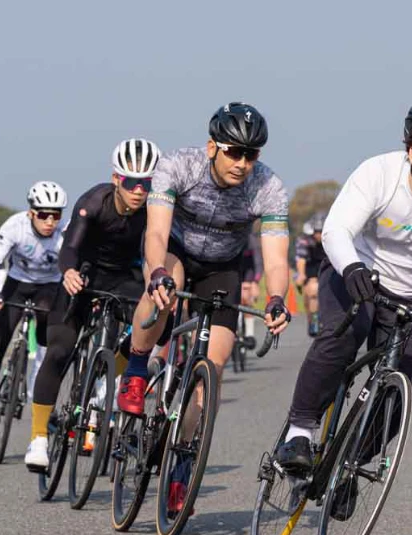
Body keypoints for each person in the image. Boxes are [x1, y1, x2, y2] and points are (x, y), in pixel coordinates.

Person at [274, 97, 412, 497]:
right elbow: (336, 232)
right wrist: (352, 268)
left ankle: (349, 465)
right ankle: (300, 432)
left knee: (405, 387)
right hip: (357, 271)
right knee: (342, 337)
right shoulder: (378, 173)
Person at [115, 102, 292, 513]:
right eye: (234, 152)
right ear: (213, 147)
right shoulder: (179, 166)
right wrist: (157, 272)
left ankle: (181, 467)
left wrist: (276, 298)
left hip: (222, 267)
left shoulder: (269, 188)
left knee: (212, 367)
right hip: (175, 252)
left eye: (251, 154)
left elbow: (276, 261)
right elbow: (156, 233)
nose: (242, 163)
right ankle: (137, 368)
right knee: (165, 289)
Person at [24, 140, 161, 472]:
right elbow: (70, 248)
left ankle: (107, 375)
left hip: (124, 278)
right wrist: (69, 272)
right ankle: (39, 438)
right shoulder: (93, 202)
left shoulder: (153, 210)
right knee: (59, 350)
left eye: (146, 183)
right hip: (84, 275)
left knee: (160, 322)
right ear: (116, 179)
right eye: (131, 182)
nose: (139, 191)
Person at [0, 182, 66, 469]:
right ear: (30, 213)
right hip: (17, 285)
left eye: (56, 215)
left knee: (47, 339)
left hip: (49, 287)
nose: (50, 221)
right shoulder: (15, 226)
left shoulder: (63, 233)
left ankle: (37, 388)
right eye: (43, 215)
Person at [294, 214, 327, 336]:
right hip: (310, 267)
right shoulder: (304, 240)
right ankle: (313, 319)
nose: (318, 235)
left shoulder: (331, 239)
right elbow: (301, 260)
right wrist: (301, 275)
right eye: (316, 232)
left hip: (326, 265)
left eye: (321, 232)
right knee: (312, 291)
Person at [239, 226, 264, 346]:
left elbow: (258, 263)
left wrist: (255, 282)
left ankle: (249, 334)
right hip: (233, 268)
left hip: (248, 270)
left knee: (246, 298)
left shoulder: (252, 240)